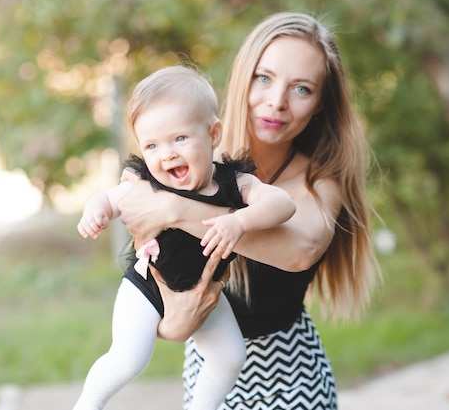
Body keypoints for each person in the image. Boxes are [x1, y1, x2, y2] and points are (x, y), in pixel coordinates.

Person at [116, 12, 380, 409]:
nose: (277, 101)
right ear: (244, 78)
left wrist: (171, 209)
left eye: (302, 89)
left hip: (292, 378)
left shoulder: (321, 179)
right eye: (264, 78)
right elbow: (165, 301)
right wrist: (175, 325)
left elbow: (300, 250)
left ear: (321, 104)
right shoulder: (189, 164)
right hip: (209, 375)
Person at [73, 65, 296, 410]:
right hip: (145, 287)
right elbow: (109, 198)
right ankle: (87, 405)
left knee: (230, 357)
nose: (167, 154)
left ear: (213, 134)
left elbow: (282, 204)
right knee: (129, 359)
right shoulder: (146, 183)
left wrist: (240, 222)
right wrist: (95, 210)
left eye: (179, 138)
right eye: (152, 145)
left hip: (204, 289)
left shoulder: (233, 183)